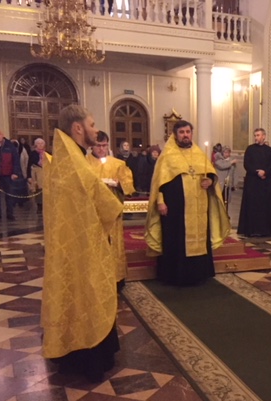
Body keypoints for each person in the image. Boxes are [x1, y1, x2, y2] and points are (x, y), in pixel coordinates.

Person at [41, 105, 123, 382]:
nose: (95, 130)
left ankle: (72, 352)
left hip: (74, 241)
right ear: (78, 128)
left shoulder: (69, 157)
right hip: (81, 243)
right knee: (87, 291)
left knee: (76, 292)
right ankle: (89, 358)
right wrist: (114, 207)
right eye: (92, 124)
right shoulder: (73, 163)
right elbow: (99, 198)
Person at [145, 120, 230, 286]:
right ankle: (174, 276)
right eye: (182, 132)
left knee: (199, 238)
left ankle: (198, 275)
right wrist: (160, 201)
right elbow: (158, 183)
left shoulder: (199, 153)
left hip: (198, 207)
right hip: (175, 208)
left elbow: (210, 174)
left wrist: (210, 181)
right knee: (176, 239)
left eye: (188, 132)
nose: (185, 135)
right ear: (175, 135)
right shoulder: (167, 155)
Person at [87, 131, 136, 288]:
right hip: (93, 211)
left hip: (113, 211)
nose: (101, 149)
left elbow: (129, 186)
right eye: (98, 146)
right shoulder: (84, 163)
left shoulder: (117, 164)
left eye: (104, 145)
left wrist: (118, 184)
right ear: (92, 146)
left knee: (113, 244)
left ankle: (116, 279)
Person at [237, 128, 271, 237]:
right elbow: (246, 164)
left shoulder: (269, 150)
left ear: (264, 136)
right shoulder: (250, 149)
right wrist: (256, 172)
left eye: (258, 135)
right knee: (251, 206)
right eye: (255, 135)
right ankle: (250, 230)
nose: (256, 137)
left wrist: (265, 172)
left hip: (264, 183)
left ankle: (264, 230)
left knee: (264, 206)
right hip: (252, 182)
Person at [0, 129, 22, 221]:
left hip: (8, 174)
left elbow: (16, 160)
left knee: (9, 195)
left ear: (3, 135)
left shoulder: (10, 145)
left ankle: (10, 213)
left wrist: (15, 172)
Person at [28, 138, 51, 214]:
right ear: (35, 145)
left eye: (42, 143)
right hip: (36, 174)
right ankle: (39, 206)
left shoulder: (48, 153)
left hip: (46, 173)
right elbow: (29, 165)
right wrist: (29, 176)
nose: (40, 145)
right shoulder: (32, 153)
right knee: (38, 191)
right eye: (38, 143)